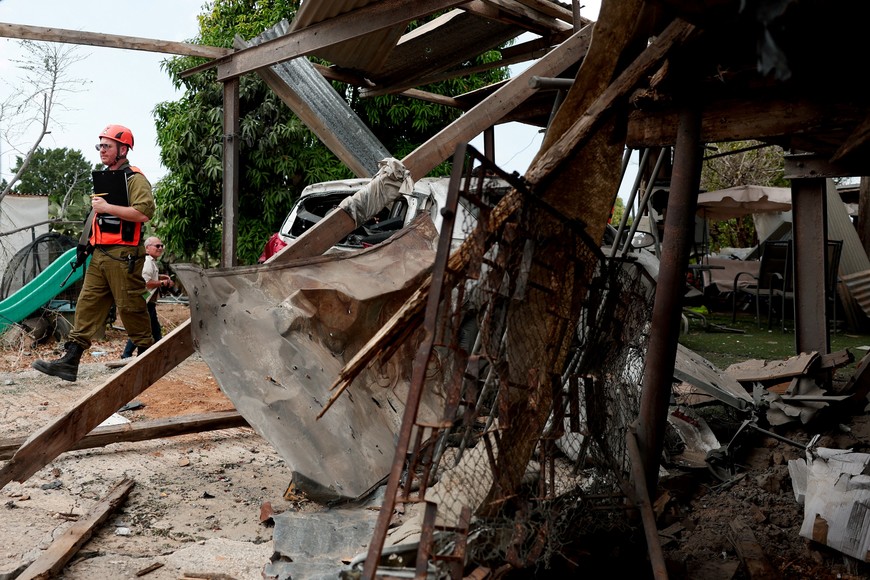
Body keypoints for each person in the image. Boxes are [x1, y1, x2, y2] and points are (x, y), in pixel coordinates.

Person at [33, 124, 156, 382]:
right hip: (99, 254)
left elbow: (143, 212)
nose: (101, 150)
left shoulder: (135, 178)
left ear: (123, 149)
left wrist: (108, 206)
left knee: (130, 307)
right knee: (87, 305)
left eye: (107, 145)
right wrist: (84, 246)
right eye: (100, 145)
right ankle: (70, 361)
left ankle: (149, 358)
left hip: (125, 256)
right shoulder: (104, 178)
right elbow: (96, 216)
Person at [120, 236, 173, 359]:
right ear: (147, 248)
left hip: (148, 301)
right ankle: (129, 354)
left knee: (151, 329)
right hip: (144, 301)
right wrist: (162, 283)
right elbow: (145, 282)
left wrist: (160, 277)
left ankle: (143, 355)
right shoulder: (147, 262)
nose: (160, 248)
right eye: (157, 246)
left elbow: (150, 277)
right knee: (145, 330)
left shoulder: (151, 261)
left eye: (161, 246)